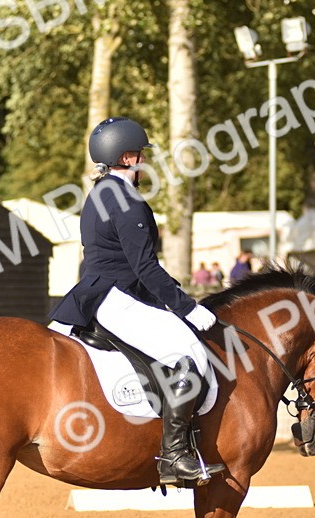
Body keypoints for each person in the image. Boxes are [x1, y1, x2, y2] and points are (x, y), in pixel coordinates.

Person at [49, 117, 223, 485]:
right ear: (127, 157)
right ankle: (175, 454)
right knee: (188, 357)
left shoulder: (98, 193)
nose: (145, 160)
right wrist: (187, 307)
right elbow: (145, 268)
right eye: (141, 154)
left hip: (93, 293)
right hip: (117, 298)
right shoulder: (128, 201)